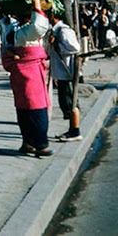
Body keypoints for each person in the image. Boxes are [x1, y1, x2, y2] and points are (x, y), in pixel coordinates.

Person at [2, 0, 53, 157]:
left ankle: (28, 142)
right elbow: (38, 27)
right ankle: (40, 143)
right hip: (29, 73)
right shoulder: (25, 32)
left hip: (23, 72)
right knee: (36, 108)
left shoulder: (17, 30)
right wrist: (37, 7)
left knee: (24, 109)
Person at [48, 12, 82, 142]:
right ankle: (72, 129)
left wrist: (57, 44)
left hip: (67, 71)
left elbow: (74, 48)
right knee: (65, 101)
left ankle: (76, 131)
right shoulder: (56, 30)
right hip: (61, 71)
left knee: (70, 101)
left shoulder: (64, 31)